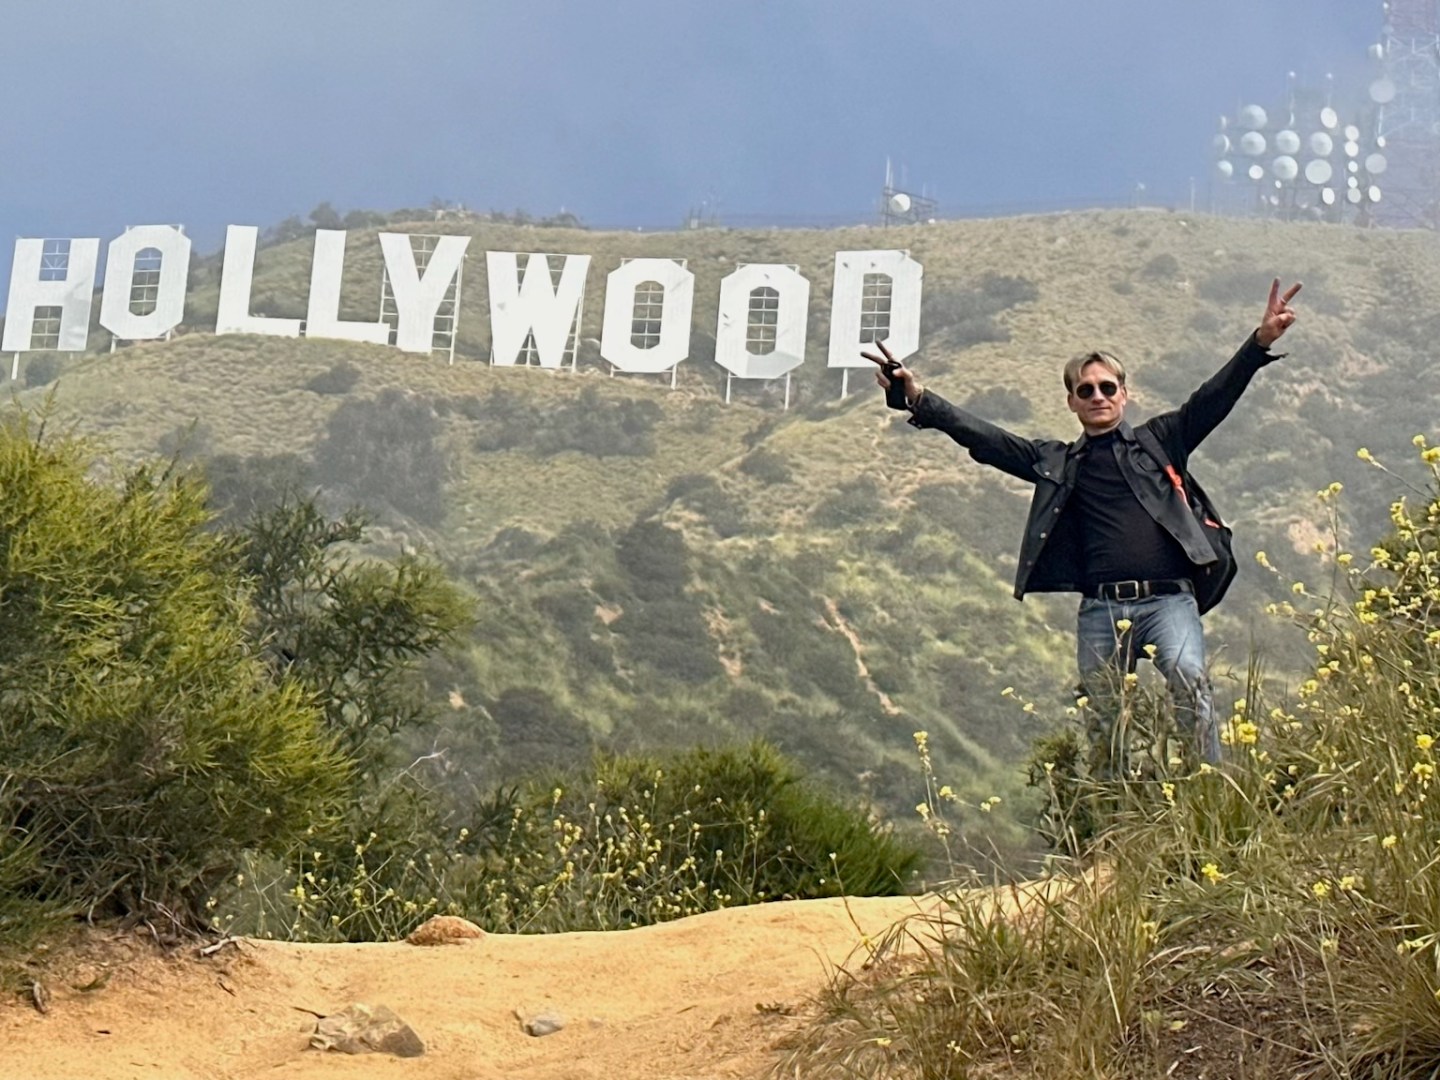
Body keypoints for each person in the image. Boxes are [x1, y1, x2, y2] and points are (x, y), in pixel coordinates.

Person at [863, 279, 1301, 777]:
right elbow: (985, 438)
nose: (1097, 396)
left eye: (1106, 388)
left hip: (1167, 601)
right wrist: (919, 398)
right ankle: (1115, 818)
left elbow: (1212, 398)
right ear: (1071, 401)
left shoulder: (1161, 440)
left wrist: (1259, 341)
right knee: (1105, 718)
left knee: (1187, 676)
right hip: (1101, 608)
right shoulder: (1054, 461)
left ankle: (1208, 789)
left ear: (1124, 395)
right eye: (1085, 390)